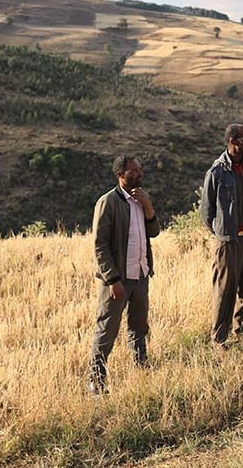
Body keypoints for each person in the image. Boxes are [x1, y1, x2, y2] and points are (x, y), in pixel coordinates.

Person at [88, 155, 159, 395]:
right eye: (134, 171)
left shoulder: (141, 199)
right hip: (118, 279)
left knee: (139, 327)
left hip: (140, 274)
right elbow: (100, 245)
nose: (140, 173)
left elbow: (154, 232)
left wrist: (148, 207)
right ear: (121, 174)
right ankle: (96, 384)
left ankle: (141, 372)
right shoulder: (108, 202)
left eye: (140, 169)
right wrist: (112, 280)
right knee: (107, 330)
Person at [200, 123, 243, 348]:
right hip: (229, 241)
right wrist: (224, 233)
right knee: (225, 292)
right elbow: (206, 212)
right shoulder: (216, 172)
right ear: (234, 142)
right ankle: (219, 340)